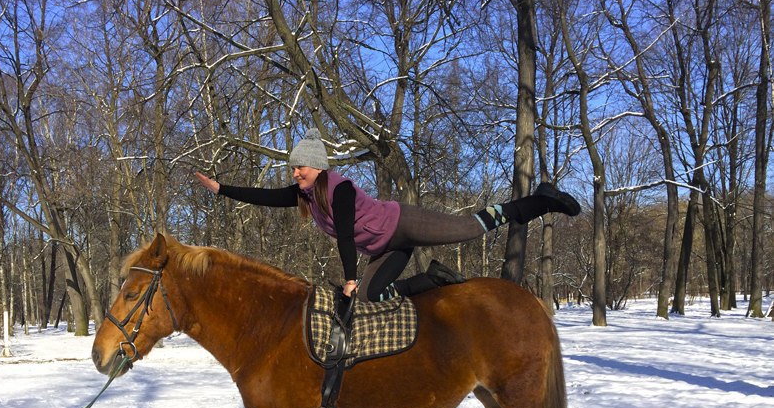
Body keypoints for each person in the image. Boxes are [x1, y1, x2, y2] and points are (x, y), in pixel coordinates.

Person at [195, 128, 580, 302]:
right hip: (387, 250)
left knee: (469, 228)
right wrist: (221, 189)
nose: (296, 174)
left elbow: (346, 235)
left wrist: (347, 276)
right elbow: (263, 197)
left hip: (403, 224)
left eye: (301, 168)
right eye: (293, 169)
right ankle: (433, 279)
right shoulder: (306, 196)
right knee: (369, 294)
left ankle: (543, 200)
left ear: (318, 168)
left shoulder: (339, 188)